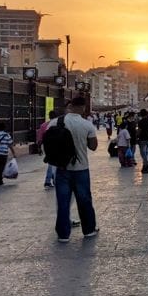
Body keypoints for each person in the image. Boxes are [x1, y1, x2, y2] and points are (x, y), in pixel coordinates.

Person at [53, 96, 99, 243]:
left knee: (63, 202)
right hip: (81, 169)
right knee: (84, 200)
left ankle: (63, 234)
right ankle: (89, 230)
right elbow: (93, 146)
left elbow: (45, 142)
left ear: (70, 106)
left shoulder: (55, 122)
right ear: (83, 107)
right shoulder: (86, 125)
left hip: (61, 168)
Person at [136, 109, 148, 173]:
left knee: (143, 153)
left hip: (142, 139)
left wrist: (136, 136)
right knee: (145, 152)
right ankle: (145, 166)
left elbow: (139, 131)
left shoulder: (140, 122)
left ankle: (146, 166)